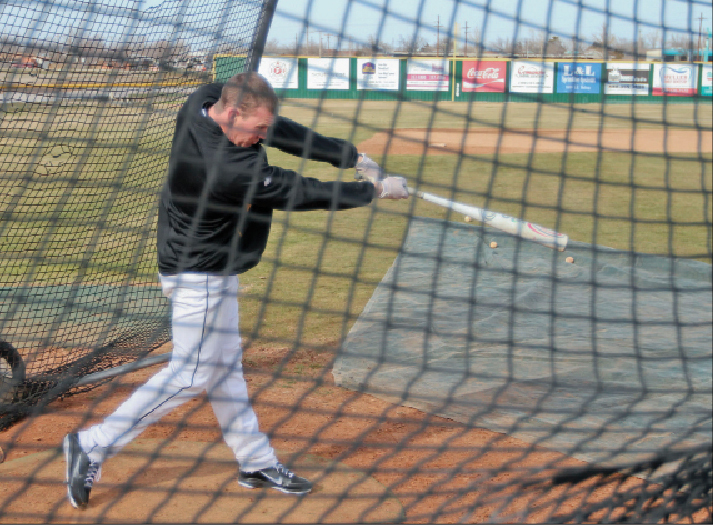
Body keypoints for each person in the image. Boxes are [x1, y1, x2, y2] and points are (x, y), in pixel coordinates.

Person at [63, 71, 408, 508]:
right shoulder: (229, 166)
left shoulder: (203, 102)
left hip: (210, 265)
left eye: (264, 128)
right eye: (257, 130)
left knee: (224, 367)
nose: (262, 137)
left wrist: (351, 155)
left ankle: (255, 460)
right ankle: (93, 444)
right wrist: (373, 189)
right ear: (230, 113)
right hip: (198, 272)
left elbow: (283, 131)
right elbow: (297, 191)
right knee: (191, 373)